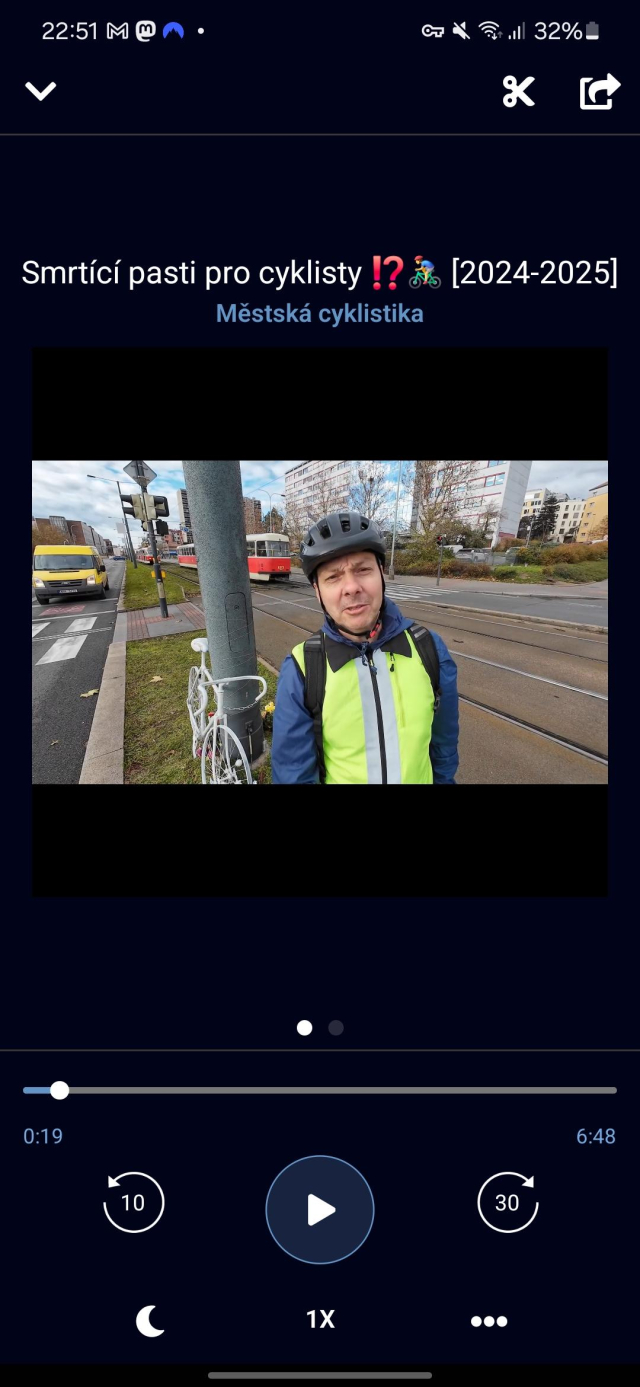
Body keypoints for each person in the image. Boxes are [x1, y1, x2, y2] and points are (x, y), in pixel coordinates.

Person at [271, 510, 459, 784]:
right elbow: (293, 774)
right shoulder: (303, 667)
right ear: (317, 591)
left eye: (363, 570)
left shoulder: (429, 649)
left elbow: (443, 751)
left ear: (381, 574)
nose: (351, 587)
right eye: (333, 577)